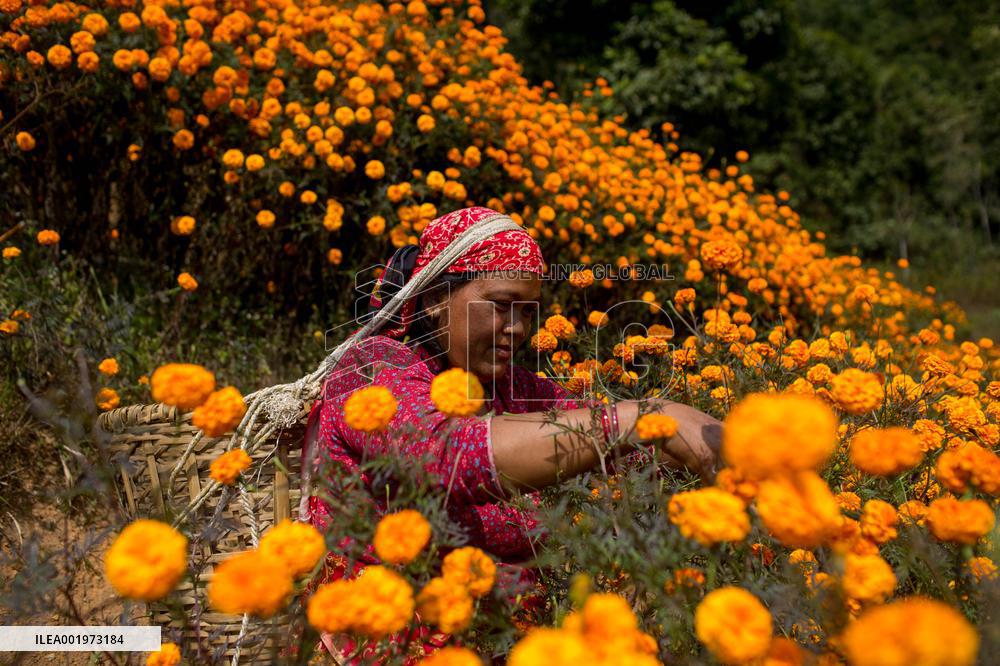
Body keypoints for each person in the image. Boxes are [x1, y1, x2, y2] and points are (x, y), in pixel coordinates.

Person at [299, 205, 722, 660]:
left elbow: (623, 446)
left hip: (511, 639)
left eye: (528, 311)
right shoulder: (372, 368)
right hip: (386, 639)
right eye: (501, 306)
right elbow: (446, 456)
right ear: (436, 298)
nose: (517, 328)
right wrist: (636, 419)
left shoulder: (513, 389)